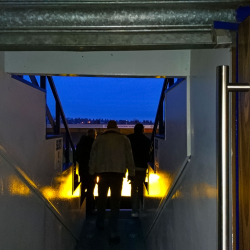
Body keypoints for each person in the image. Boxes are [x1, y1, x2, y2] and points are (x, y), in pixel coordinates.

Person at [89, 120, 135, 244]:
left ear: (107, 127)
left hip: (102, 174)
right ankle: (113, 231)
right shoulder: (124, 139)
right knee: (115, 202)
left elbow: (92, 156)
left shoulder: (99, 139)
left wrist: (92, 172)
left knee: (102, 199)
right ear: (117, 127)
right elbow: (129, 157)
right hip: (118, 174)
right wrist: (131, 173)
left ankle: (100, 223)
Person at [127, 123, 151, 218]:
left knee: (133, 188)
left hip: (132, 167)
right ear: (142, 130)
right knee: (141, 187)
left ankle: (134, 209)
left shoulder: (129, 139)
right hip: (142, 167)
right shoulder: (146, 140)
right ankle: (140, 208)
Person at [76, 128, 97, 214]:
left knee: (83, 187)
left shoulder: (81, 143)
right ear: (94, 135)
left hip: (82, 169)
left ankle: (81, 206)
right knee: (91, 189)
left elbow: (77, 156)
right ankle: (90, 207)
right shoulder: (94, 143)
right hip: (91, 170)